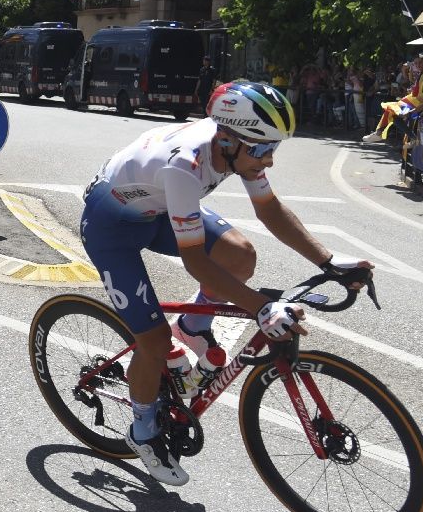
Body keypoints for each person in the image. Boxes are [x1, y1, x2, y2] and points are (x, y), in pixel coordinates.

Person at [78, 81, 371, 486]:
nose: (268, 160)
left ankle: (193, 327)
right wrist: (261, 308)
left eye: (274, 149)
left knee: (240, 255)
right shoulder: (185, 166)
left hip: (155, 208)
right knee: (153, 342)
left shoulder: (237, 149)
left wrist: (329, 260)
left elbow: (268, 209)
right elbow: (196, 260)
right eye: (262, 150)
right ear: (230, 139)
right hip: (111, 226)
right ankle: (142, 428)